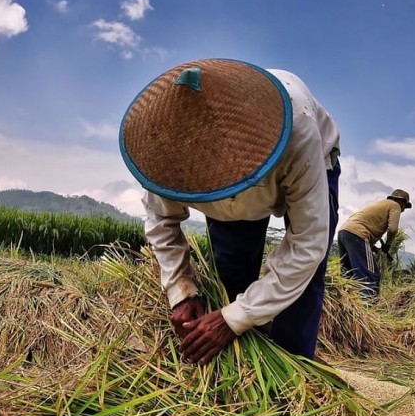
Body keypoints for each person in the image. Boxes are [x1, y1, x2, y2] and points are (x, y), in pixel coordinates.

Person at [119, 59, 341, 363]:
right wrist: (181, 292)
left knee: (301, 290)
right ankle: (244, 364)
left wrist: (232, 320)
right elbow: (161, 223)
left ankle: (294, 373)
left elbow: (307, 245)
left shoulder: (297, 133)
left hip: (314, 160)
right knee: (232, 274)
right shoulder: (165, 154)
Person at [336, 189, 412, 302]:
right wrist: (387, 245)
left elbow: (361, 232)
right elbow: (393, 229)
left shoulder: (379, 205)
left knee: (348, 274)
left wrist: (376, 250)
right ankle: (369, 307)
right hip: (359, 235)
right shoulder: (395, 205)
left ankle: (344, 304)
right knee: (370, 274)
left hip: (344, 232)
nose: (403, 211)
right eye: (404, 207)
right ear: (400, 201)